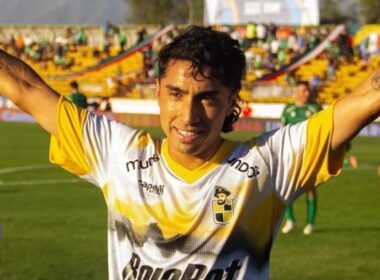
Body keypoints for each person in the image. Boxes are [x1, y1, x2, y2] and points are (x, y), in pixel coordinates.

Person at [0, 25, 380, 279]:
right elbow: (25, 86)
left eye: (208, 98)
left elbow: (367, 97)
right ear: (158, 93)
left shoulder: (268, 165)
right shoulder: (116, 152)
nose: (188, 115)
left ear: (233, 102)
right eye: (176, 95)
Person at [280, 81, 322, 235]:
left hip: (309, 155)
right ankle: (290, 220)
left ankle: (310, 223)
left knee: (310, 189)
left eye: (307, 90)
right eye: (303, 90)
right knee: (285, 189)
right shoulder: (288, 110)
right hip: (290, 156)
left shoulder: (315, 109)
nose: (306, 93)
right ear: (296, 92)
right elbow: (282, 132)